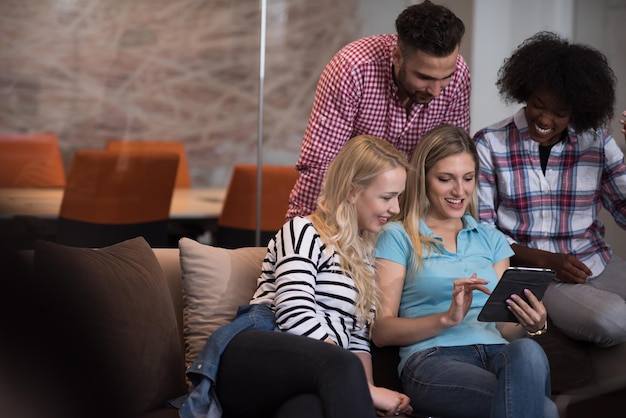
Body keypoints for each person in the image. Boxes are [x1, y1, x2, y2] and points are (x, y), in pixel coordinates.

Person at [180, 135, 413, 418]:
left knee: (309, 410)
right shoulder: (303, 231)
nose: (396, 208)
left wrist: (365, 395)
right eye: (387, 197)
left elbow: (356, 341)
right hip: (256, 353)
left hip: (311, 373)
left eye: (398, 197)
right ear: (352, 191)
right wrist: (369, 391)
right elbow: (294, 312)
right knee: (341, 365)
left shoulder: (364, 255)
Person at [372, 124, 558, 418]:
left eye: (468, 178)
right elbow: (381, 331)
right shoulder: (398, 235)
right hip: (434, 359)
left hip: (497, 350)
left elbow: (505, 329)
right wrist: (448, 318)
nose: (460, 191)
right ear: (423, 179)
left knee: (530, 350)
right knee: (543, 410)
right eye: (446, 179)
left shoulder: (492, 239)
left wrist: (532, 324)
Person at [473, 31, 626, 347]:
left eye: (559, 113)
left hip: (596, 259)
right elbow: (482, 235)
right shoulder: (490, 143)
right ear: (524, 92)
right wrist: (548, 260)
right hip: (534, 274)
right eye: (538, 105)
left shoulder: (596, 142)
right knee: (615, 321)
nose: (544, 119)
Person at [287, 0, 470, 219]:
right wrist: (305, 231)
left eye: (445, 78)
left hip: (413, 216)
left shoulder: (459, 74)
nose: (437, 91)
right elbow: (322, 164)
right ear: (397, 57)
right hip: (349, 212)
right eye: (424, 77)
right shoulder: (352, 69)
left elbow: (450, 160)